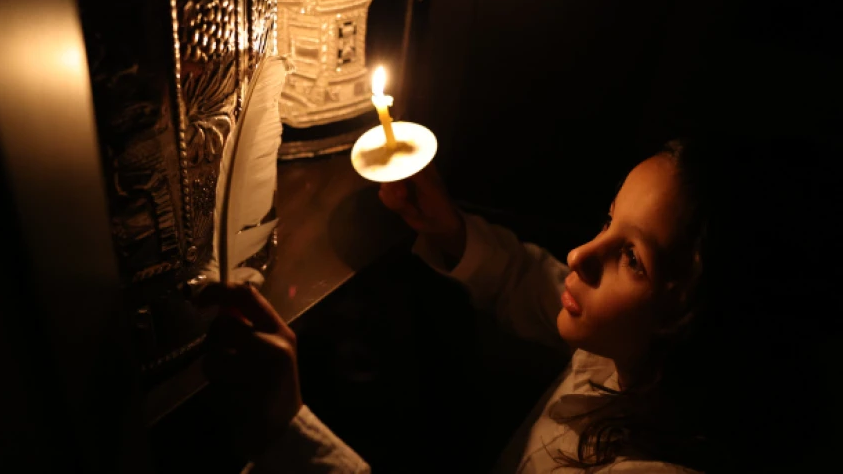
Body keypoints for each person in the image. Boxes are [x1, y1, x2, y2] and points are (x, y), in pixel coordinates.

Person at [195, 137, 841, 473]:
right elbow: (535, 283)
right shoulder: (631, 354)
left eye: (633, 258)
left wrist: (286, 427)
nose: (584, 254)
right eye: (607, 221)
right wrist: (447, 228)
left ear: (700, 317)